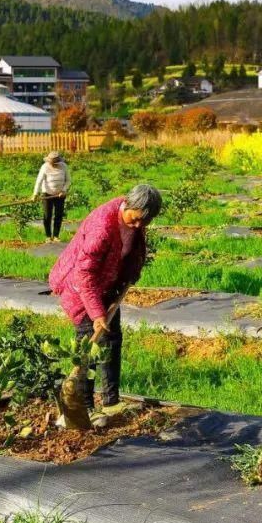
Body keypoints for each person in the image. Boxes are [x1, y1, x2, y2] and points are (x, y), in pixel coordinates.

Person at [48, 184, 161, 427]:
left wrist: (130, 274)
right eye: (137, 219)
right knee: (89, 343)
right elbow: (84, 274)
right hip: (80, 288)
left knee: (111, 339)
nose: (140, 225)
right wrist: (97, 312)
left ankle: (110, 401)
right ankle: (85, 407)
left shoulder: (136, 216)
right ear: (128, 206)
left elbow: (134, 248)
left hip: (109, 284)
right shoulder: (103, 227)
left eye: (146, 221)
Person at [33, 151, 71, 242]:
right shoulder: (44, 167)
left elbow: (68, 180)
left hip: (60, 195)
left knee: (58, 215)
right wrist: (35, 194)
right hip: (47, 195)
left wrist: (64, 190)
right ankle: (48, 236)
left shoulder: (64, 166)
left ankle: (56, 236)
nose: (53, 164)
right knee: (47, 215)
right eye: (52, 163)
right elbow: (39, 181)